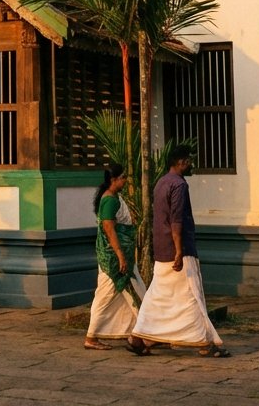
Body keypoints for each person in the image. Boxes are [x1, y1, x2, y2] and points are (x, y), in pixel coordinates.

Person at [128, 145, 229, 358]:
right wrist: (179, 250)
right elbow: (176, 220)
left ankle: (140, 336)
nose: (191, 164)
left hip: (161, 247)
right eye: (189, 160)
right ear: (181, 161)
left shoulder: (161, 183)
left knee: (159, 293)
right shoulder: (179, 185)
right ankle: (202, 341)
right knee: (191, 293)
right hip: (178, 249)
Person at [84, 161, 146, 350]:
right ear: (113, 180)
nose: (126, 181)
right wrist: (119, 254)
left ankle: (142, 332)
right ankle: (91, 336)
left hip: (121, 255)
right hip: (113, 258)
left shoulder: (114, 197)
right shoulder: (110, 200)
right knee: (107, 295)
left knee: (137, 291)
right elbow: (109, 228)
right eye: (123, 177)